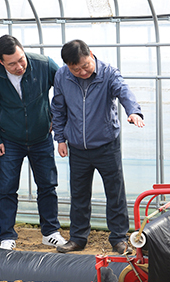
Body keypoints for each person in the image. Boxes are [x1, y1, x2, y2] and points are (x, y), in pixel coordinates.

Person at [51, 39, 144, 254]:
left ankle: (119, 238)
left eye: (85, 66)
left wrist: (133, 111)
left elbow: (123, 91)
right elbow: (58, 107)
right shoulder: (62, 76)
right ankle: (78, 238)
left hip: (106, 145)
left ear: (91, 55)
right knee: (79, 194)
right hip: (77, 147)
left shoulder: (108, 73)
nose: (83, 72)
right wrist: (61, 138)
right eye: (76, 69)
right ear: (67, 66)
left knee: (115, 192)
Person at [0, 35, 66, 250]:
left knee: (47, 185)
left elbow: (65, 88)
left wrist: (57, 118)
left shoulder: (43, 64)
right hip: (9, 139)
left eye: (21, 59)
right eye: (12, 64)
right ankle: (7, 235)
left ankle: (50, 231)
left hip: (41, 137)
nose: (19, 66)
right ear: (1, 62)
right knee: (7, 188)